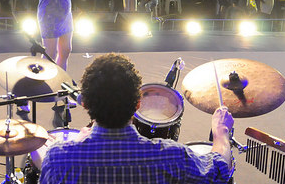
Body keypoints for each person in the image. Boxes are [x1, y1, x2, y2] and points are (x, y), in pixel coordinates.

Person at [40, 53, 234, 184]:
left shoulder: (58, 158)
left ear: (86, 105)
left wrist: (79, 143)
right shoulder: (172, 157)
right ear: (138, 105)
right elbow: (219, 171)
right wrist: (221, 132)